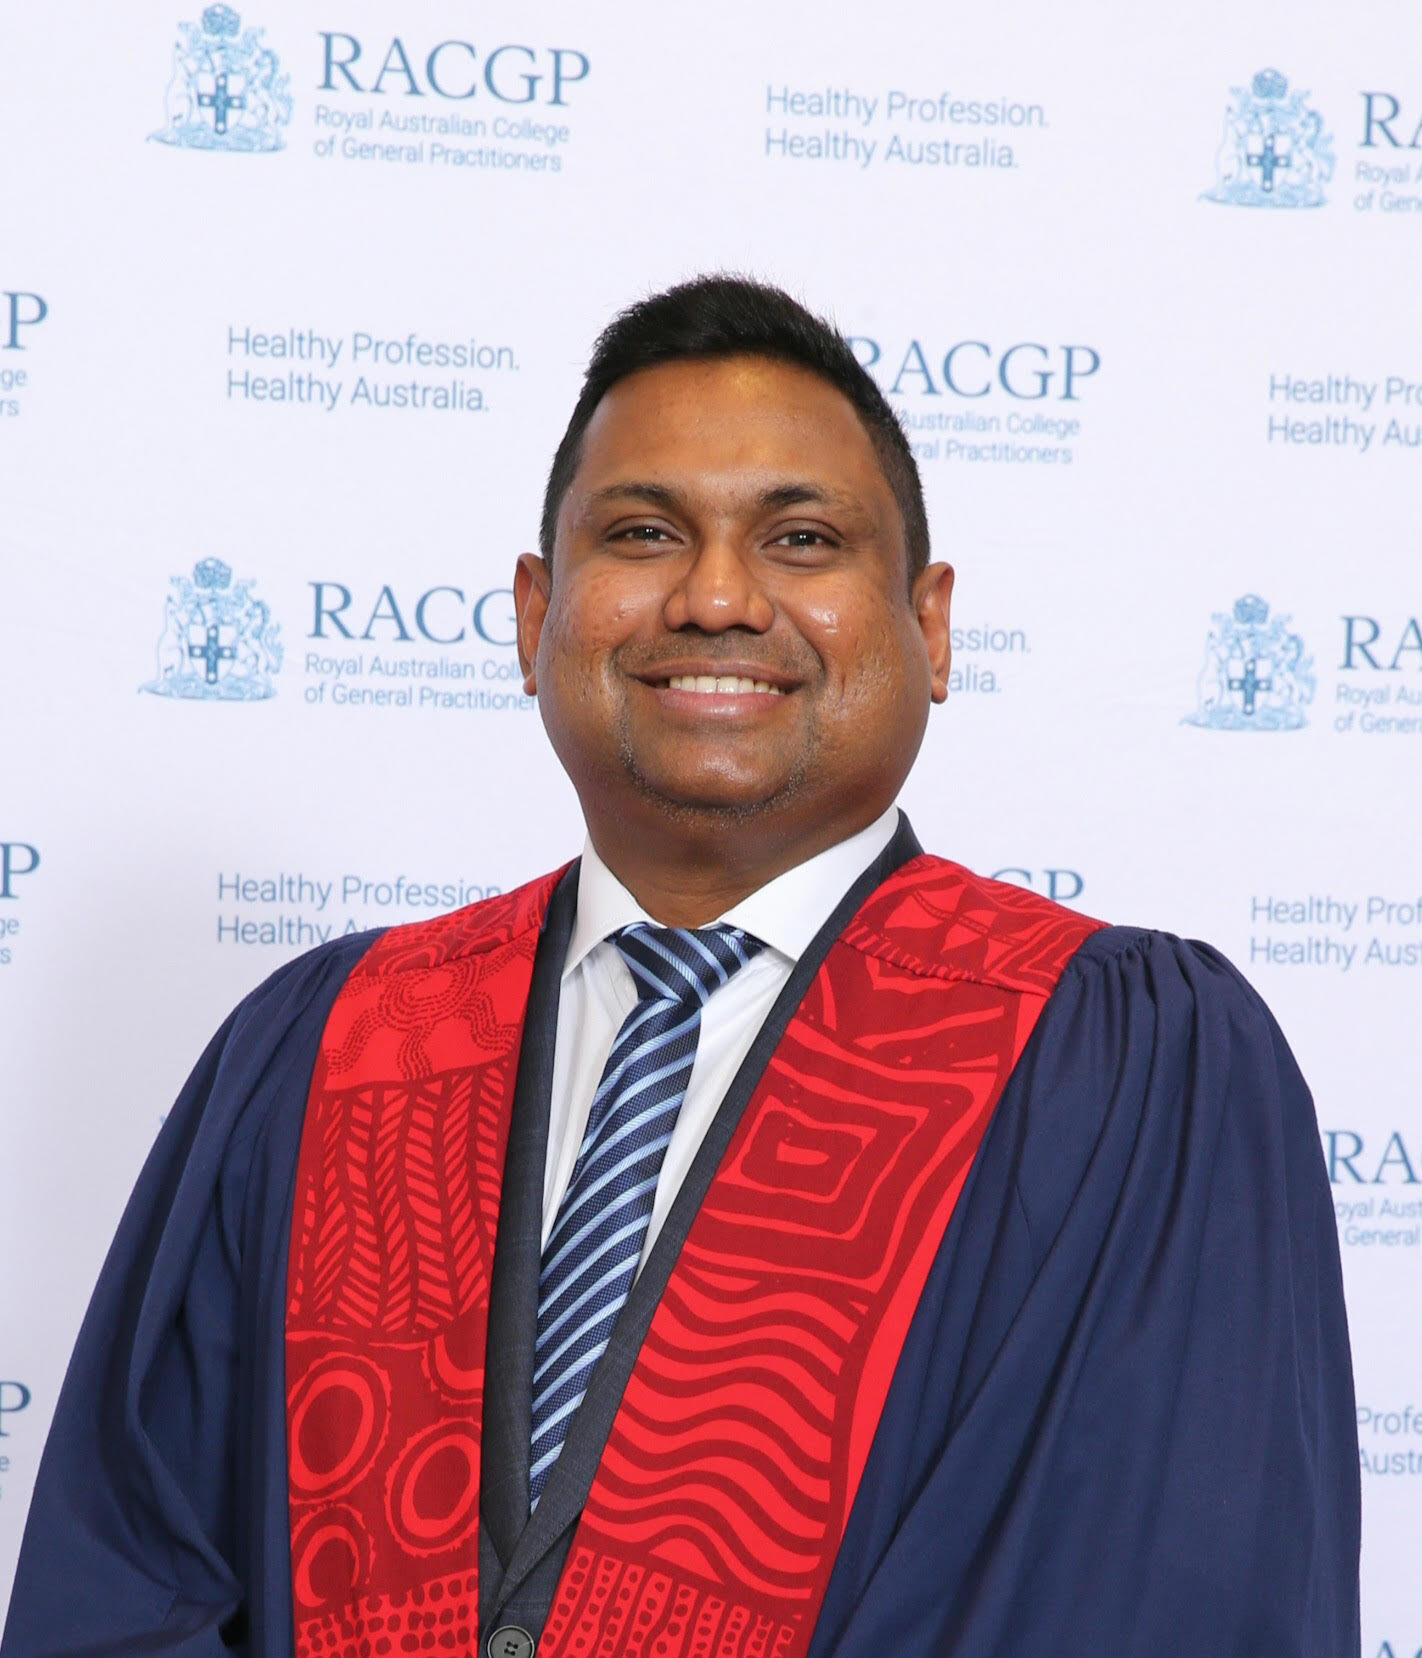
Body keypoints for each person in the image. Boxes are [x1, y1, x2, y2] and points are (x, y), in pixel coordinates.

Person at [2, 276, 1359, 1658]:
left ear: (931, 625)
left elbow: (1163, 1595)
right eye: (643, 533)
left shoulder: (1121, 1068)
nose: (715, 598)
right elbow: (125, 1588)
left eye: (802, 539)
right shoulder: (325, 1045)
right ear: (534, 613)